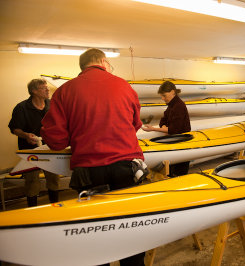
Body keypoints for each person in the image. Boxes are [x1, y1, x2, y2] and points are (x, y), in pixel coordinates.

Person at [41, 48, 147, 266]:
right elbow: (136, 124)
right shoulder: (124, 85)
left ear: (82, 67)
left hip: (88, 172)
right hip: (126, 166)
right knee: (131, 227)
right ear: (103, 61)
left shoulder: (64, 91)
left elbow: (56, 141)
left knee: (96, 230)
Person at [8, 78, 60, 207]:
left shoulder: (52, 104)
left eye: (46, 87)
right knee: (32, 181)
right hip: (29, 150)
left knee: (53, 179)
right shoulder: (21, 108)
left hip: (50, 149)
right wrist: (25, 135)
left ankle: (55, 208)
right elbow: (15, 129)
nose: (48, 89)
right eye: (44, 87)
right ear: (34, 91)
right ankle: (33, 210)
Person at [142, 81, 191, 177]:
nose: (162, 98)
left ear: (173, 92)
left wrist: (153, 129)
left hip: (181, 144)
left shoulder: (179, 106)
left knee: (179, 174)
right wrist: (164, 127)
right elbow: (162, 121)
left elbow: (174, 130)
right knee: (172, 173)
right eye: (161, 96)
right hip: (175, 142)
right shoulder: (172, 105)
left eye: (164, 96)